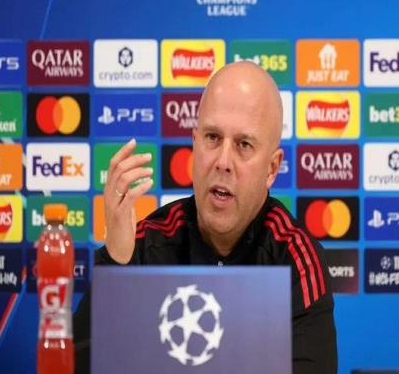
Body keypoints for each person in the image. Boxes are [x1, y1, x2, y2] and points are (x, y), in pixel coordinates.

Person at [74, 61, 337, 373]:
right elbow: (75, 366)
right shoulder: (144, 244)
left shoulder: (296, 260)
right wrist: (116, 263)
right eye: (212, 137)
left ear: (271, 168)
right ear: (195, 144)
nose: (223, 161)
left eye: (243, 145)